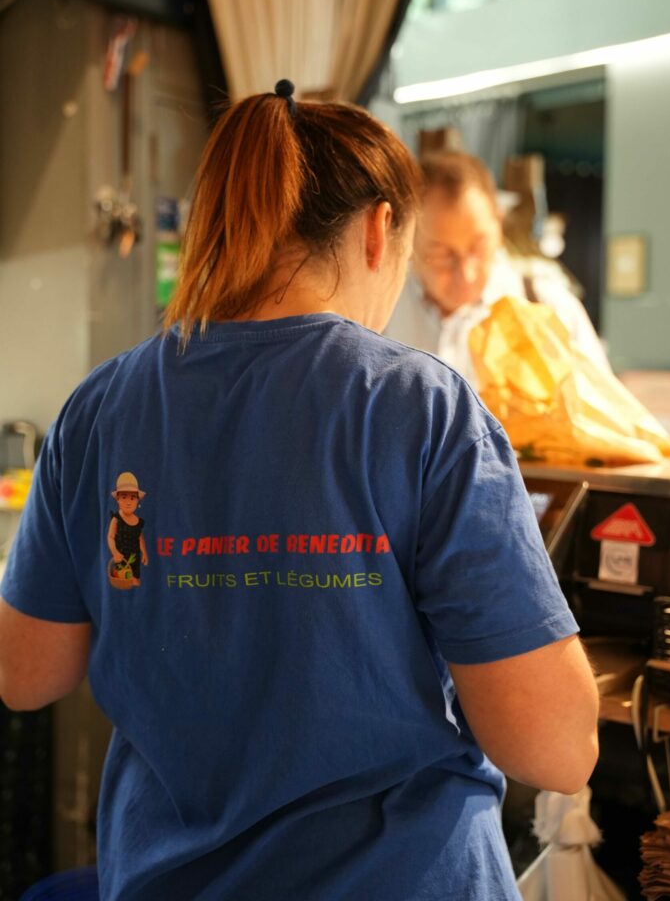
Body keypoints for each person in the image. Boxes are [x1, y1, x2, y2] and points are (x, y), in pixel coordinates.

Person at [0, 82, 598, 901]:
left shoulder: (100, 406)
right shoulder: (419, 406)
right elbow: (554, 749)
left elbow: (24, 673)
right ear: (379, 230)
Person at [385, 150, 610, 387]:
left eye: (478, 248)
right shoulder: (381, 313)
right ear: (409, 239)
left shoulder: (549, 308)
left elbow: (607, 414)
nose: (467, 274)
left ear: (499, 224)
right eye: (442, 256)